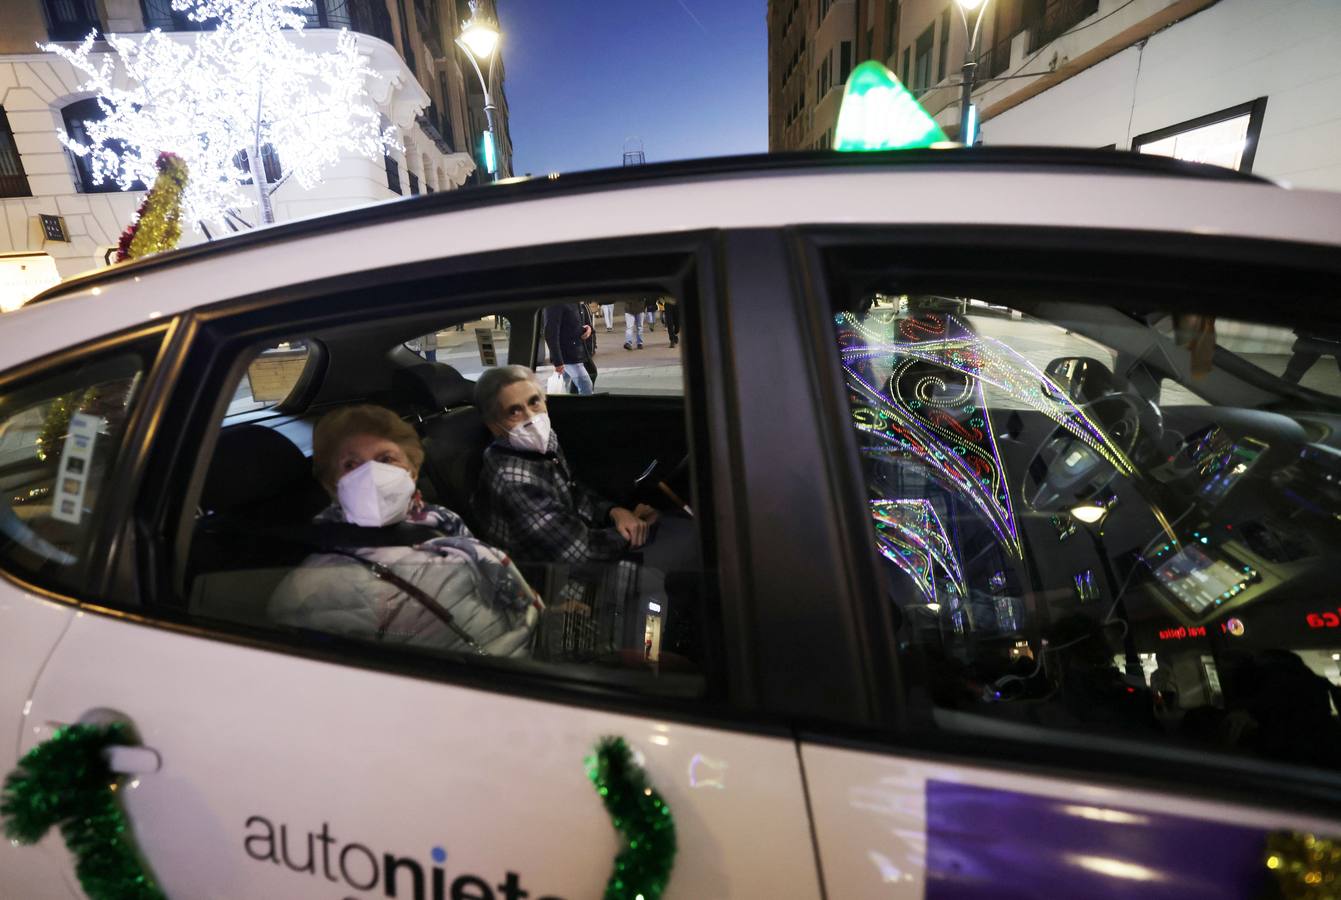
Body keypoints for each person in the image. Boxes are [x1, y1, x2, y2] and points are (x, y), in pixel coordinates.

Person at [268, 405, 542, 657]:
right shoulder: (314, 584)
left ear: (411, 471)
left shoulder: (443, 521)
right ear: (333, 484)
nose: (371, 474)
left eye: (385, 458)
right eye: (351, 465)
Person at [472, 366, 657, 563]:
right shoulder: (512, 478)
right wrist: (636, 527)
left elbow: (574, 492)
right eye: (514, 411)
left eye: (534, 402)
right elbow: (578, 552)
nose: (530, 418)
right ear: (494, 425)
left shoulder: (544, 443)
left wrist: (613, 512)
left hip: (577, 545)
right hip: (544, 576)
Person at [543, 302, 594, 396]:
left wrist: (588, 328)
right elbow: (550, 333)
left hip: (577, 352)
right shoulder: (555, 303)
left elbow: (574, 323)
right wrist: (557, 361)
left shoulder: (574, 300)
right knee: (586, 386)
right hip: (567, 356)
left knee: (569, 388)